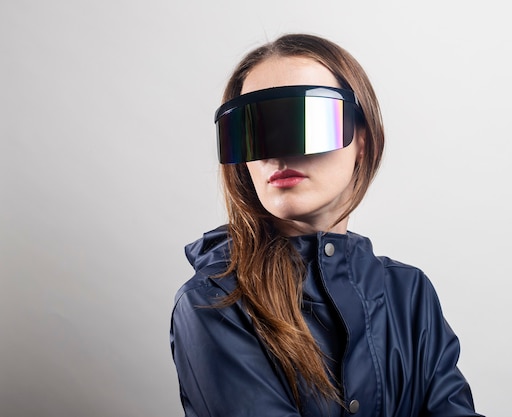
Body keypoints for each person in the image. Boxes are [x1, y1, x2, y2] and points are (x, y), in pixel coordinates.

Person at [170, 33, 483, 417]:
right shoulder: (216, 301)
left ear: (362, 141)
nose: (276, 152)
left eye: (307, 121)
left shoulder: (409, 295)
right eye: (252, 131)